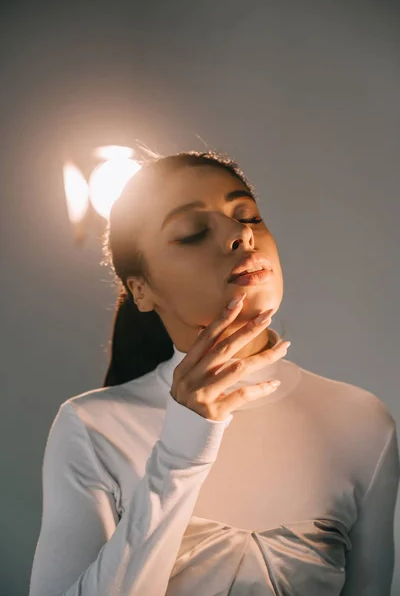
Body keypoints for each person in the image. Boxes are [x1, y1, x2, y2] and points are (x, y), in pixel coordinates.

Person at [29, 151, 400, 595]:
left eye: (249, 216)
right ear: (141, 290)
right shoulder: (91, 428)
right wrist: (181, 450)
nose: (242, 234)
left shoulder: (361, 421)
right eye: (193, 233)